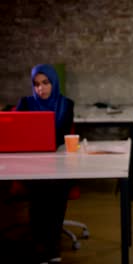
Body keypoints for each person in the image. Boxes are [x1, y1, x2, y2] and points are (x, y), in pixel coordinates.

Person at [16, 64, 75, 264]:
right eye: (36, 84)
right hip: (30, 164)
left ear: (53, 83)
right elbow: (14, 132)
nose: (41, 88)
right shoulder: (25, 103)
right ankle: (40, 245)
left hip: (58, 163)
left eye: (45, 83)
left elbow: (59, 135)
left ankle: (52, 245)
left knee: (57, 188)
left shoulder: (66, 104)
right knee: (39, 190)